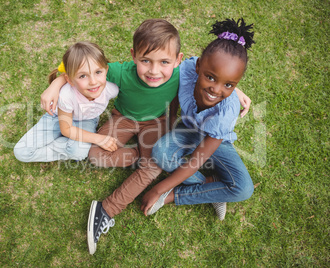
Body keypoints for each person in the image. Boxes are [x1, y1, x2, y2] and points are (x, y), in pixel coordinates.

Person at [40, 19, 251, 255]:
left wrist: (235, 90)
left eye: (164, 62)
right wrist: (56, 83)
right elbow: (85, 68)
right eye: (145, 61)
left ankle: (106, 210)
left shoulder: (180, 73)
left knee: (154, 165)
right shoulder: (122, 71)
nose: (154, 70)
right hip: (124, 118)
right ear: (133, 56)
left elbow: (215, 75)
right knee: (98, 156)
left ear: (178, 60)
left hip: (158, 123)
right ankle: (140, 159)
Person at [140, 18, 256, 222]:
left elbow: (196, 161)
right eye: (210, 77)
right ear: (198, 66)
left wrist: (159, 190)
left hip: (216, 140)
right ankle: (210, 185)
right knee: (160, 153)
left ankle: (174, 196)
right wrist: (170, 121)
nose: (216, 89)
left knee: (243, 188)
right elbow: (175, 95)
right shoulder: (186, 70)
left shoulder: (226, 111)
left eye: (229, 85)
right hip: (189, 129)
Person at [14, 42, 119, 162]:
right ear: (69, 80)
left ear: (106, 70)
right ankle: (64, 143)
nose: (93, 82)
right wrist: (98, 139)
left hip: (87, 120)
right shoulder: (66, 95)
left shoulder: (112, 88)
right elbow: (66, 128)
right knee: (22, 152)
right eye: (83, 76)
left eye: (98, 72)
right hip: (58, 118)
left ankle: (66, 144)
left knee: (78, 152)